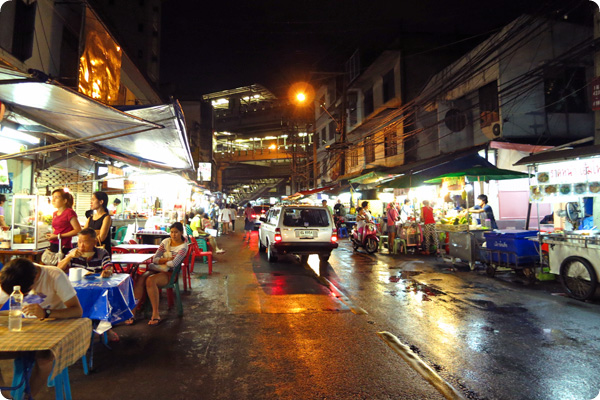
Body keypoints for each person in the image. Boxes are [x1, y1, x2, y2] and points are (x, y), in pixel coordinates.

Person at [0, 258, 83, 398]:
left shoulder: (54, 275)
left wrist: (46, 313)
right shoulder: (14, 276)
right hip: (28, 329)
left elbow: (77, 311)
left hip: (56, 326)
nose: (20, 296)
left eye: (23, 294)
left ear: (35, 278)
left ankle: (27, 397)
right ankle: (4, 394)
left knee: (44, 359)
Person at [134, 222, 188, 326]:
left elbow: (173, 264)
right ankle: (132, 312)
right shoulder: (165, 242)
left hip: (170, 274)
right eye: (171, 232)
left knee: (150, 280)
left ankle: (155, 314)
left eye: (176, 232)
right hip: (158, 269)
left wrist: (161, 260)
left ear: (181, 232)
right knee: (141, 279)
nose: (173, 235)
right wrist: (167, 259)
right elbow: (155, 259)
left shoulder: (183, 247)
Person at [45, 189, 81, 260]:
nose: (53, 200)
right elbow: (56, 228)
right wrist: (51, 235)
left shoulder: (69, 212)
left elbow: (78, 230)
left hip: (64, 246)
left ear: (65, 201)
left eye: (56, 197)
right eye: (53, 197)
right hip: (54, 243)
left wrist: (59, 236)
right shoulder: (55, 213)